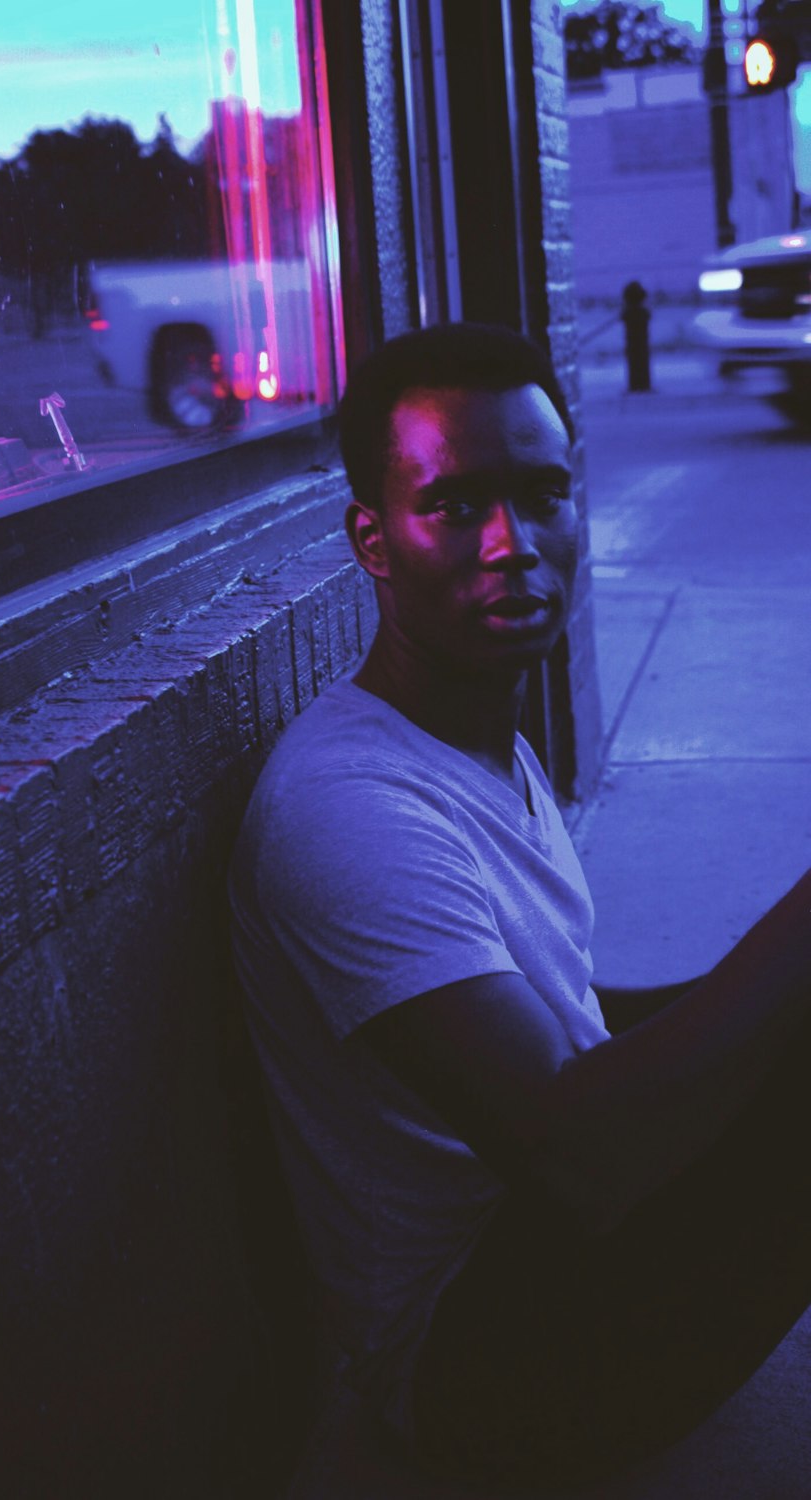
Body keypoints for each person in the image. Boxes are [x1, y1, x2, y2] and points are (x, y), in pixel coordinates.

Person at [228, 323, 811, 1492]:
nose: (512, 546)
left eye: (544, 495)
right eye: (454, 505)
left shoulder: (478, 736)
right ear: (373, 539)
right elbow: (580, 1146)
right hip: (487, 1367)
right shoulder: (348, 806)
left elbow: (577, 1022)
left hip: (552, 1265)